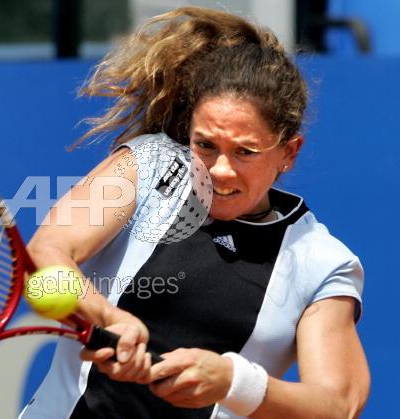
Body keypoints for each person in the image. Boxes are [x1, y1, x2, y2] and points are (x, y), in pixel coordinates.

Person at [20, 7, 369, 419]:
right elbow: (45, 256)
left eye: (245, 152)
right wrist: (108, 317)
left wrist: (231, 381)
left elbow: (338, 406)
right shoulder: (149, 166)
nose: (220, 169)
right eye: (205, 145)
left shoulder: (321, 261)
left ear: (288, 153)